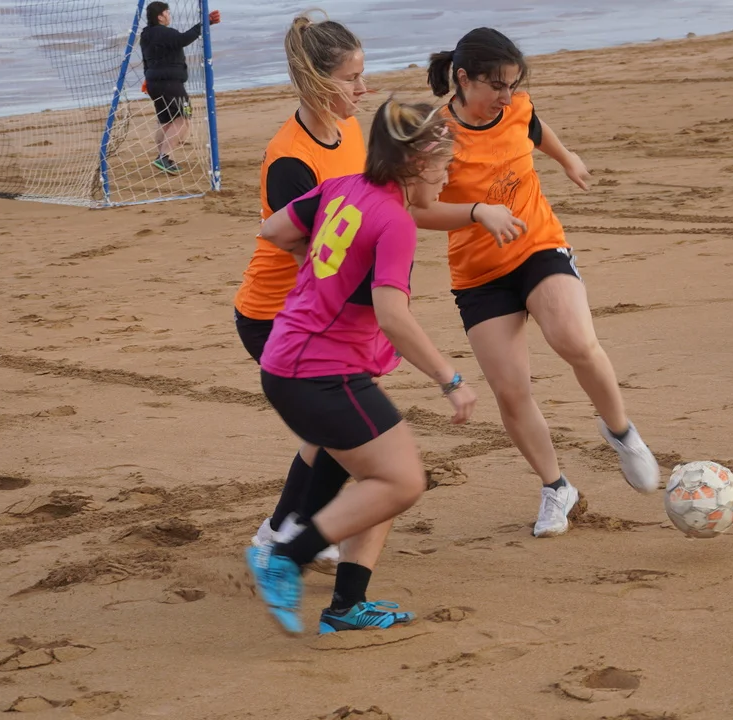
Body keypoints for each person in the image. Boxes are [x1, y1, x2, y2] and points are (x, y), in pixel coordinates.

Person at [412, 28, 661, 539]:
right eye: (496, 86)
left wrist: (567, 159)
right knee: (510, 390)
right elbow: (419, 209)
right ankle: (556, 488)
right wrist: (477, 212)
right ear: (464, 78)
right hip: (480, 274)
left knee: (574, 340)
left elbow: (535, 128)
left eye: (512, 85)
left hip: (538, 245)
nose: (506, 96)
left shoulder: (518, 107)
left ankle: (621, 431)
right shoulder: (436, 135)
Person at [247, 100, 477, 635]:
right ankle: (287, 555)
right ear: (417, 163)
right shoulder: (395, 220)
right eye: (443, 168)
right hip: (319, 371)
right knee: (402, 480)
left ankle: (346, 605)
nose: (446, 180)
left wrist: (321, 270)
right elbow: (392, 316)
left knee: (382, 474)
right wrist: (450, 379)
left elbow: (275, 230)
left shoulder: (342, 186)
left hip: (290, 360)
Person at [236, 11, 369, 573]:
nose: (363, 89)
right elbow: (309, 258)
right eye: (351, 79)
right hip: (276, 315)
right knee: (344, 426)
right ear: (316, 81)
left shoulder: (350, 130)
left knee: (333, 428)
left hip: (324, 307)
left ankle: (286, 527)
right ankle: (284, 530)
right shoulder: (290, 158)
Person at [139, 1, 221, 175]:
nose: (169, 16)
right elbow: (183, 39)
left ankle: (163, 158)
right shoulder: (165, 33)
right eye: (167, 13)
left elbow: (146, 60)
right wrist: (205, 23)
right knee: (183, 119)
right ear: (160, 16)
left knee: (166, 121)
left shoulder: (145, 35)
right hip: (170, 84)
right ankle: (164, 156)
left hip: (154, 83)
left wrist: (147, 78)